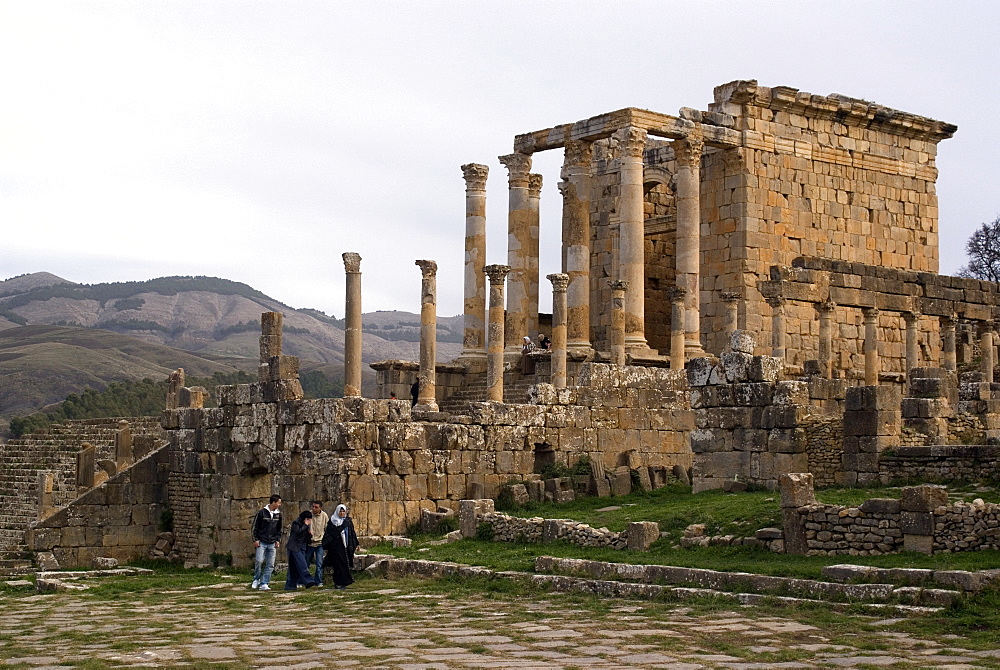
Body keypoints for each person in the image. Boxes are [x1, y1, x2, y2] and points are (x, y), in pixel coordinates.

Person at [322, 503, 358, 590]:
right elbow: (328, 535)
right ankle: (338, 582)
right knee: (337, 565)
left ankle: (344, 582)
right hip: (335, 547)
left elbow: (352, 533)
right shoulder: (332, 522)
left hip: (345, 546)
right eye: (340, 511)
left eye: (343, 511)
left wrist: (356, 543)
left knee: (345, 564)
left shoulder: (348, 521)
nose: (342, 513)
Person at [250, 494, 282, 591]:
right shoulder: (261, 513)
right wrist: (255, 539)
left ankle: (264, 582)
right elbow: (255, 527)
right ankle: (256, 579)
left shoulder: (278, 515)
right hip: (262, 541)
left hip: (272, 542)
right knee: (259, 561)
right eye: (279, 502)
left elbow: (279, 529)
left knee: (270, 564)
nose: (280, 504)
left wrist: (278, 540)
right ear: (273, 502)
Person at [284, 510, 317, 590]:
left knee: (294, 567)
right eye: (309, 519)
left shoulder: (306, 525)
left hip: (302, 547)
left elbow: (305, 537)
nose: (310, 521)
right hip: (294, 547)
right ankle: (308, 580)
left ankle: (290, 585)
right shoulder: (296, 523)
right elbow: (298, 532)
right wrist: (305, 525)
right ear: (305, 519)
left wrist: (309, 535)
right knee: (302, 564)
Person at [305, 501, 329, 586]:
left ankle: (318, 581)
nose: (314, 509)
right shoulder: (308, 515)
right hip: (310, 543)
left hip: (320, 543)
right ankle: (306, 580)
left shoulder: (324, 516)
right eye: (313, 507)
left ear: (320, 508)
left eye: (316, 507)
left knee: (319, 563)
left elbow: (327, 528)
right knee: (306, 563)